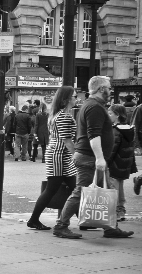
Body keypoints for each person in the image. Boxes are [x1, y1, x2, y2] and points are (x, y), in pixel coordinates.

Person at [53, 76, 134, 239]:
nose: (110, 91)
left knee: (109, 190)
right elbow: (93, 134)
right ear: (101, 89)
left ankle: (110, 228)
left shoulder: (93, 105)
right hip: (89, 157)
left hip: (90, 157)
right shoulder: (94, 107)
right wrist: (99, 158)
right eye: (109, 88)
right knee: (80, 192)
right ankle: (60, 226)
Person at [27, 87, 78, 230]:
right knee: (51, 189)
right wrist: (76, 156)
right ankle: (33, 220)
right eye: (74, 96)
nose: (76, 99)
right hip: (60, 155)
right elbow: (67, 140)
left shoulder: (57, 114)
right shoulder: (64, 116)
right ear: (66, 99)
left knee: (75, 188)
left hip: (58, 154)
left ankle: (84, 220)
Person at [107, 104, 137, 222]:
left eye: (110, 114)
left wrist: (106, 161)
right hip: (123, 163)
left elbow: (112, 149)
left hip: (114, 163)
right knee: (119, 188)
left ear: (117, 115)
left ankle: (115, 212)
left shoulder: (115, 130)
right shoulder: (127, 129)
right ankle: (121, 210)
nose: (108, 116)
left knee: (113, 188)